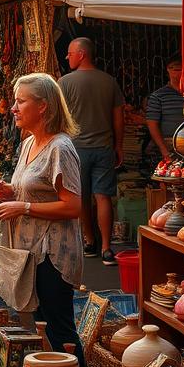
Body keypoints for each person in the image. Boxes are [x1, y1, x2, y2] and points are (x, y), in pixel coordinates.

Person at [0, 73, 87, 367]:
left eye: (21, 101)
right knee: (44, 325)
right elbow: (35, 188)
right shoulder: (29, 143)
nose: (14, 108)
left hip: (54, 254)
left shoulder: (60, 147)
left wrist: (23, 205)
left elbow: (73, 206)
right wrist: (10, 190)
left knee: (60, 330)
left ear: (43, 106)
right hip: (32, 251)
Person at [57, 37, 124, 266]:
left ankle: (89, 240)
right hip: (103, 147)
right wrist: (119, 145)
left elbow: (58, 117)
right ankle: (107, 247)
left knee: (82, 197)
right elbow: (118, 118)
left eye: (70, 53)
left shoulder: (64, 83)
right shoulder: (109, 81)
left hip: (75, 150)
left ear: (82, 54)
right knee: (103, 196)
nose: (67, 57)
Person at [146, 54, 184, 163]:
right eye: (175, 69)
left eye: (181, 69)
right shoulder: (158, 96)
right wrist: (164, 151)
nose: (179, 73)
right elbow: (152, 123)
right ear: (168, 70)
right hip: (168, 145)